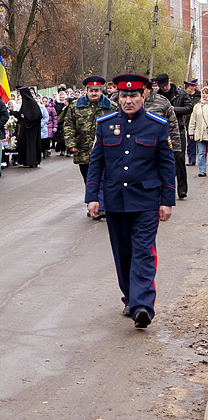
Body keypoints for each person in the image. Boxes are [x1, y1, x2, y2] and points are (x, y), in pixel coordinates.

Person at [85, 74, 175, 329]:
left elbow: (166, 165)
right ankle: (130, 297)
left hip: (146, 201)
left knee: (144, 253)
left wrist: (166, 200)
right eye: (123, 96)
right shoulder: (105, 124)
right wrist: (93, 197)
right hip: (115, 200)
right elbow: (97, 163)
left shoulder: (157, 125)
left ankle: (143, 306)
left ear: (143, 95)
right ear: (118, 97)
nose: (128, 100)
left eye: (133, 95)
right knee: (123, 253)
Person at [63, 76, 115, 219]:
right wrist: (71, 143)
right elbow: (68, 125)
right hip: (84, 150)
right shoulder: (75, 106)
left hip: (105, 151)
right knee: (89, 178)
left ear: (101, 91)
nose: (94, 93)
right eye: (91, 90)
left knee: (104, 178)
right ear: (86, 91)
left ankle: (101, 206)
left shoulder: (111, 107)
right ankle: (93, 203)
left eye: (97, 91)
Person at [155, 74, 192, 199]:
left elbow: (189, 107)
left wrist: (174, 109)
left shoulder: (180, 93)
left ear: (169, 81)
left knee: (179, 158)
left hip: (178, 130)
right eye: (162, 86)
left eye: (166, 85)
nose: (164, 88)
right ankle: (163, 188)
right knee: (161, 160)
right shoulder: (157, 96)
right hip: (161, 131)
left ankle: (182, 189)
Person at [9, 86, 42, 168]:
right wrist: (13, 113)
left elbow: (37, 115)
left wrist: (25, 117)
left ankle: (32, 161)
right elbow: (21, 114)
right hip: (26, 127)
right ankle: (26, 160)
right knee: (23, 142)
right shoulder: (25, 103)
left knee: (31, 145)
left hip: (31, 129)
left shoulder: (31, 102)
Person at [188, 86, 208, 177]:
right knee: (201, 153)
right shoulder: (197, 106)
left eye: (206, 93)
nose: (204, 95)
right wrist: (191, 132)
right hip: (200, 133)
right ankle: (202, 170)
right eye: (203, 93)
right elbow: (193, 120)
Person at [184, 79, 200, 166]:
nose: (187, 90)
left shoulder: (199, 96)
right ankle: (191, 159)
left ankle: (201, 159)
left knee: (200, 142)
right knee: (190, 142)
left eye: (189, 88)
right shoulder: (185, 97)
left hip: (199, 122)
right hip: (188, 123)